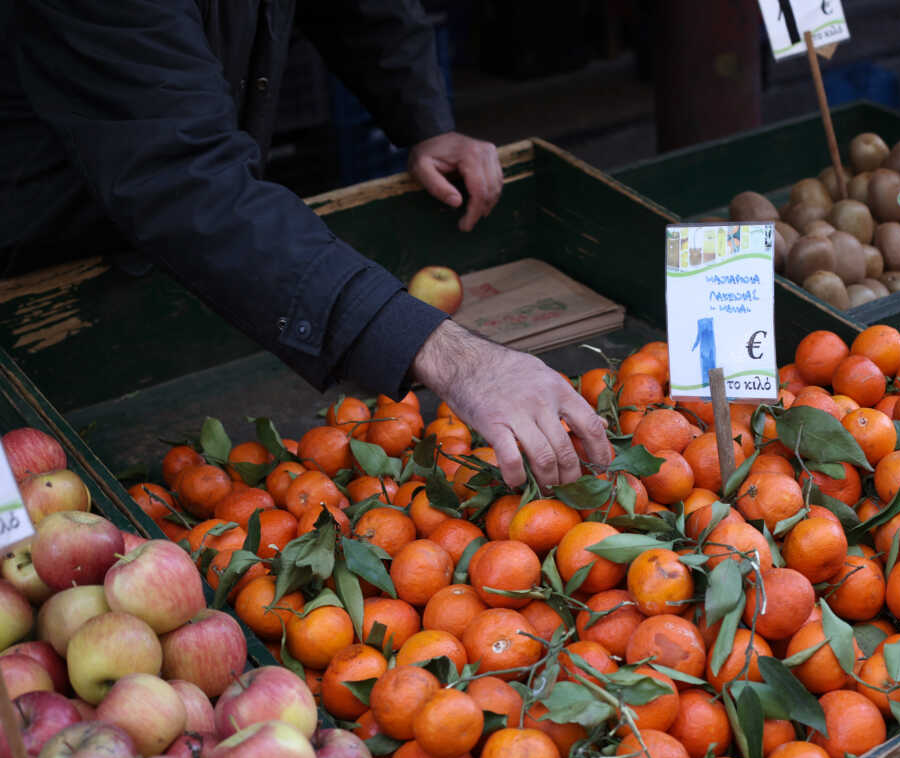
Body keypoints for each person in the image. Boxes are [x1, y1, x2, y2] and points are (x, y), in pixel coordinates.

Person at [1, 0, 610, 489]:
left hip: (189, 220)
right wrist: (458, 359)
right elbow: (187, 180)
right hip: (39, 242)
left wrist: (423, 118)